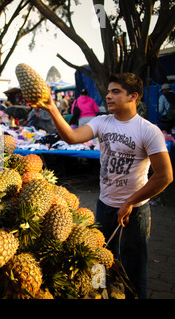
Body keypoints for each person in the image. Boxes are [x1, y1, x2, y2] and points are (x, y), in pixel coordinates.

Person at [37, 72, 173, 299]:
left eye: (115, 91)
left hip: (135, 212)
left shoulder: (148, 131)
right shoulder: (101, 122)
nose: (108, 96)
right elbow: (71, 136)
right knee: (97, 263)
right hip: (104, 206)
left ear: (133, 96)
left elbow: (165, 176)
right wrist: (51, 107)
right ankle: (99, 296)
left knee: (133, 270)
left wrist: (130, 201)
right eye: (108, 91)